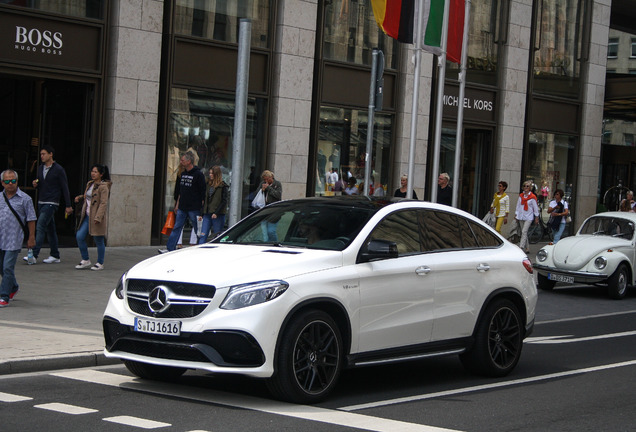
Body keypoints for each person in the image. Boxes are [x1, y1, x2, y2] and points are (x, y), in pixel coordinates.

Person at [24, 146, 73, 264]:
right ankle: (55, 255)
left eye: (44, 154)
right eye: (41, 154)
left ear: (51, 154)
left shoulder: (58, 169)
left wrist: (68, 205)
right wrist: (36, 184)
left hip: (51, 202)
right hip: (41, 201)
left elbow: (64, 187)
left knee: (40, 225)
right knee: (50, 229)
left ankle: (34, 254)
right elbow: (42, 184)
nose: (42, 156)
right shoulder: (40, 168)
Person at [0, 170, 36, 307]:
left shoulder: (25, 199)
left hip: (13, 239)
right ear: (2, 183)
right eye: (7, 181)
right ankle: (13, 287)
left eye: (13, 181)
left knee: (8, 267)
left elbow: (31, 219)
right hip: (1, 238)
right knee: (1, 268)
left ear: (17, 181)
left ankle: (4, 296)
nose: (10, 184)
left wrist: (31, 237)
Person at [74, 165, 112, 270]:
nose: (93, 173)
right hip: (87, 215)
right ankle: (85, 259)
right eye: (92, 171)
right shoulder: (90, 184)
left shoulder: (104, 187)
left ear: (101, 174)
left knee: (98, 239)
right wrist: (81, 197)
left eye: (95, 172)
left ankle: (100, 262)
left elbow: (103, 203)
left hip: (96, 217)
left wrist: (98, 217)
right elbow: (88, 196)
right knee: (79, 236)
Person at [166, 152, 206, 251]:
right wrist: (177, 204)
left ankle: (201, 246)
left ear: (189, 161)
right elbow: (180, 191)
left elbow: (203, 191)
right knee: (177, 227)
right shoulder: (183, 174)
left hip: (194, 207)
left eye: (183, 160)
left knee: (198, 229)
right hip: (182, 207)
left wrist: (202, 206)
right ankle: (170, 248)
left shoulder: (198, 174)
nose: (181, 162)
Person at [199, 166, 229, 243]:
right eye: (210, 173)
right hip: (207, 212)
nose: (210, 175)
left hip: (218, 214)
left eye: (212, 173)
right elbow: (205, 200)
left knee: (217, 236)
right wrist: (201, 213)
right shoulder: (208, 185)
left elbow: (224, 201)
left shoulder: (223, 186)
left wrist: (216, 212)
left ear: (216, 174)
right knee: (203, 235)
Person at [514, 180, 540, 253]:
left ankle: (521, 247)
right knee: (523, 233)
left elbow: (535, 208)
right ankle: (527, 248)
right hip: (521, 216)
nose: (526, 187)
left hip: (528, 217)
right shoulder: (521, 196)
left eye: (527, 186)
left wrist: (536, 217)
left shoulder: (532, 197)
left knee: (524, 231)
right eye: (524, 186)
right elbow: (518, 206)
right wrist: (516, 214)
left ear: (530, 188)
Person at [260, 170, 283, 241]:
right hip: (264, 210)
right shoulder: (262, 183)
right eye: (264, 179)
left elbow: (278, 195)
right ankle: (267, 244)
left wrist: (268, 188)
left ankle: (274, 244)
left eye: (267, 179)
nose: (266, 181)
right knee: (264, 233)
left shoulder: (277, 184)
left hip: (274, 212)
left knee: (271, 231)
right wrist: (262, 190)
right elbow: (257, 195)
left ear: (271, 177)